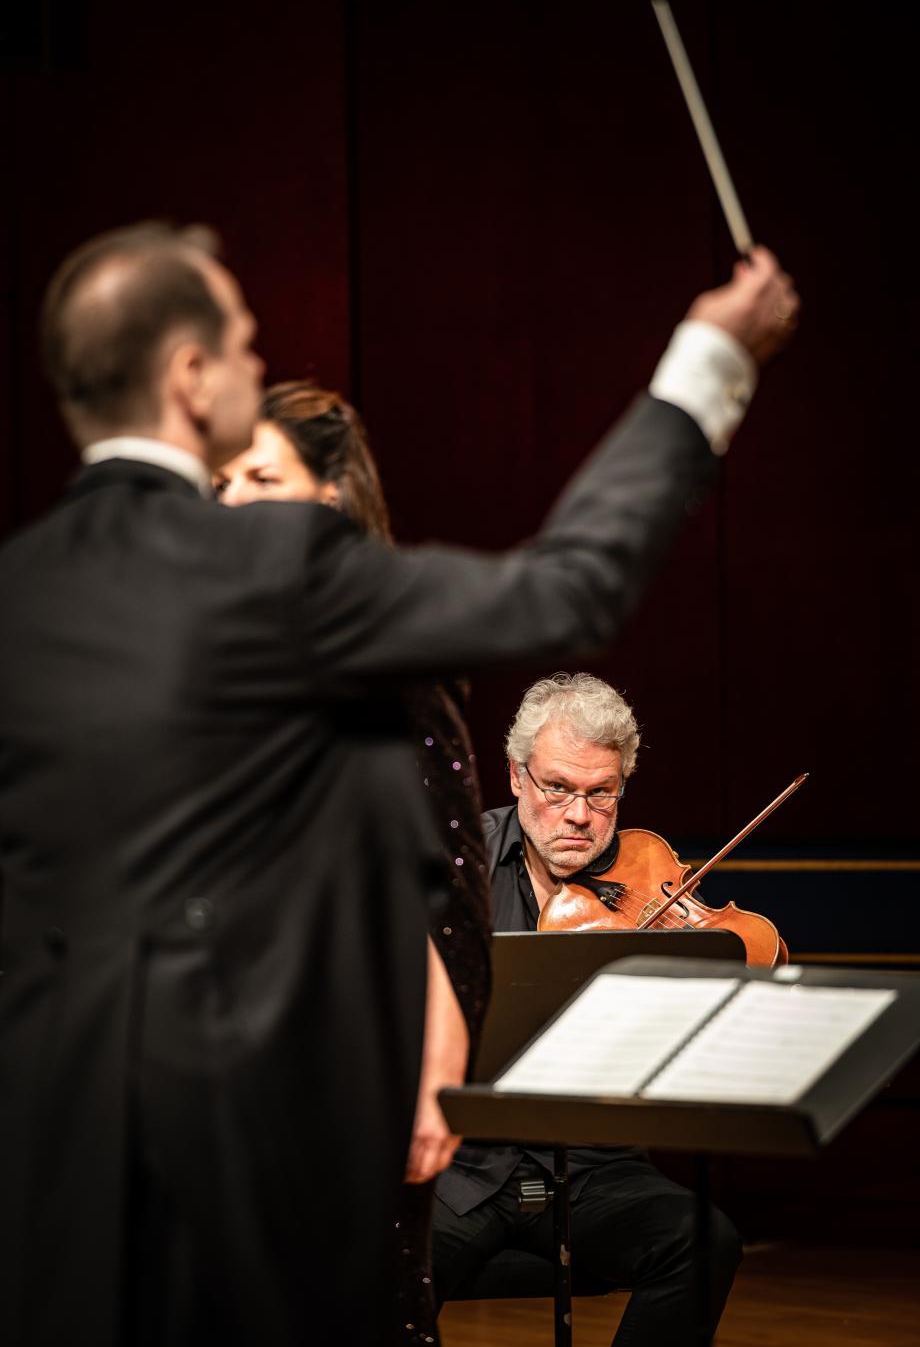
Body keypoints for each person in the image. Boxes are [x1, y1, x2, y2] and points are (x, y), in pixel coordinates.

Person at [0, 220, 796, 1347]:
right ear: (188, 375)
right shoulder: (277, 563)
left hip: (46, 1127)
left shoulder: (20, 585)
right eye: (243, 342)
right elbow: (566, 589)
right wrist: (710, 359)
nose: (256, 362)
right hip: (250, 1137)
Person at [215, 380, 491, 1346]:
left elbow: (451, 890)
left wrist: (435, 1069)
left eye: (262, 477)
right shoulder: (216, 650)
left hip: (357, 1047)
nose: (233, 498)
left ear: (331, 495)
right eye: (223, 480)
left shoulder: (389, 646)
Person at [432, 672, 742, 1344]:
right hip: (464, 1165)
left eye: (602, 792)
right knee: (374, 1268)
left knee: (702, 1241)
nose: (579, 815)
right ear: (516, 777)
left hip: (596, 1166)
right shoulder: (456, 869)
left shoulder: (647, 881)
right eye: (557, 788)